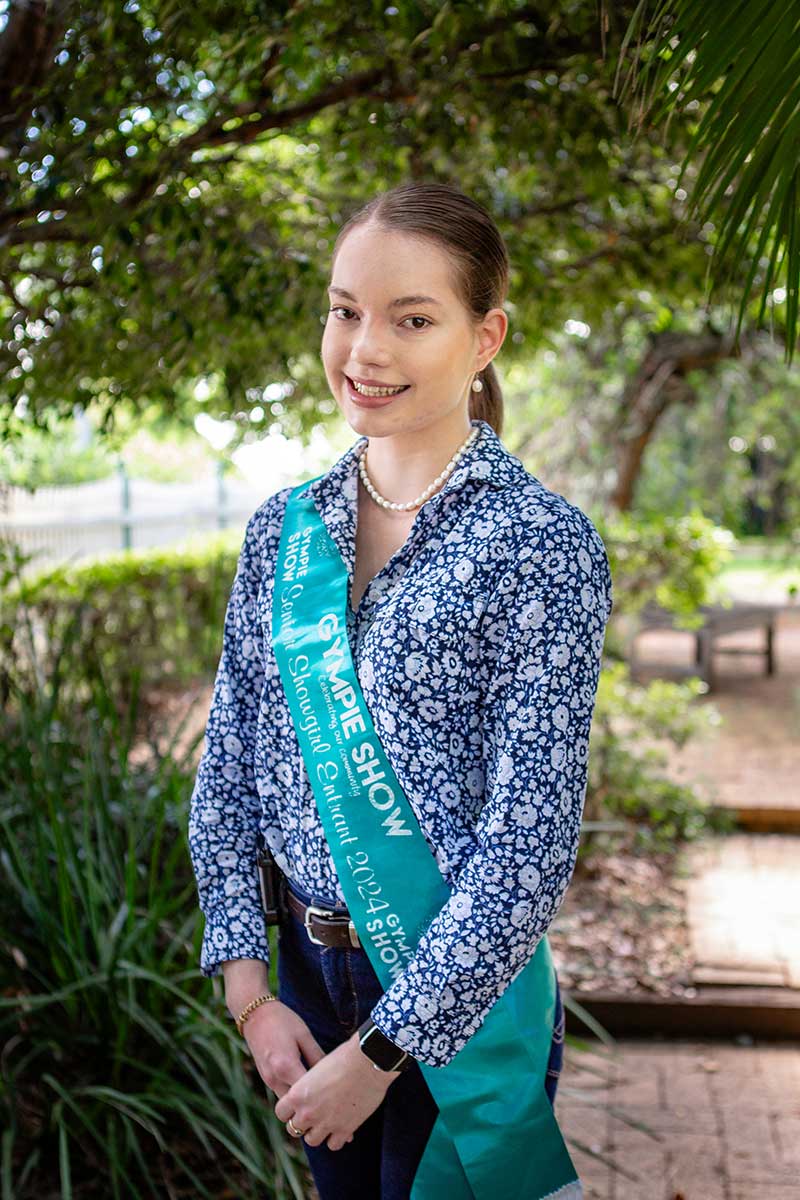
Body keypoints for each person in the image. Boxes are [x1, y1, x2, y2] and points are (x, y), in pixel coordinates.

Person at [188, 181, 612, 1200]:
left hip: (454, 1004)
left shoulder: (539, 546)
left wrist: (381, 1053)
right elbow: (231, 761)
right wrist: (250, 991)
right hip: (305, 984)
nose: (362, 350)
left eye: (410, 319)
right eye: (344, 310)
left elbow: (529, 844)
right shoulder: (283, 529)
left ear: (483, 338)